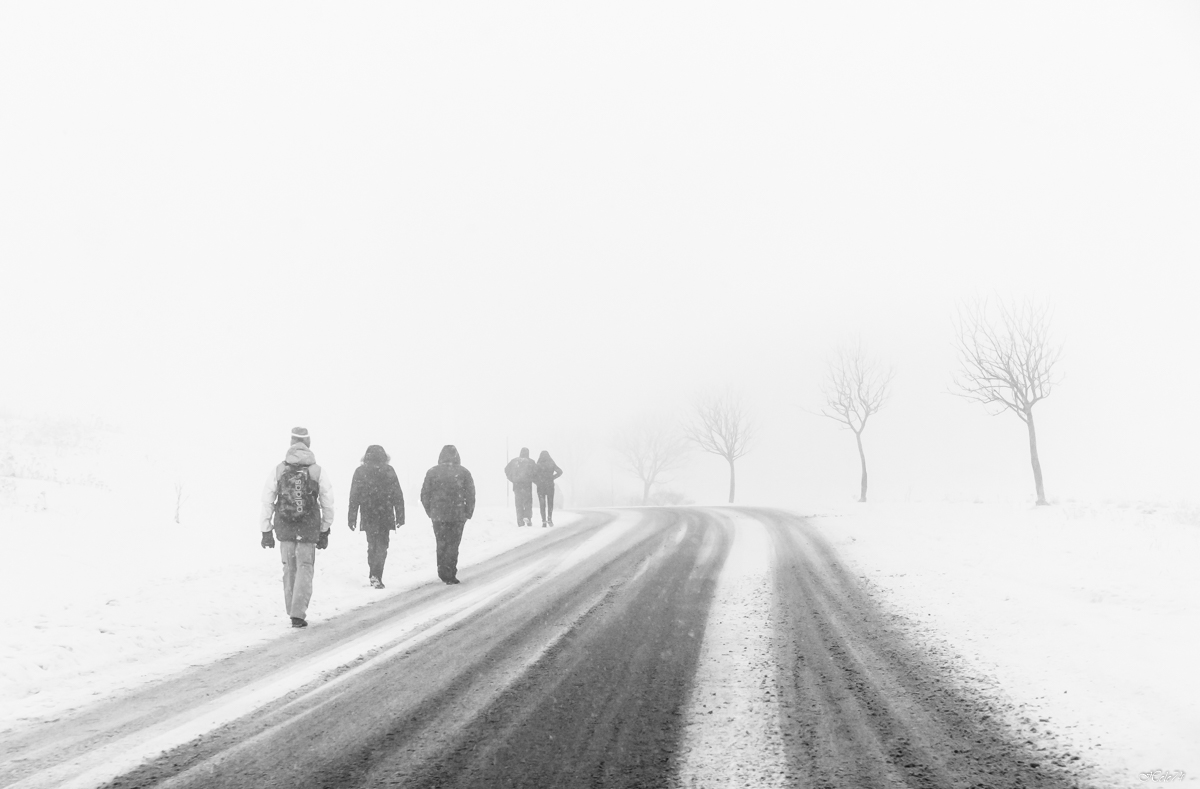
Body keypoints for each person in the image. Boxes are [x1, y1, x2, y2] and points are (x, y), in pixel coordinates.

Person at [260, 427, 334, 628]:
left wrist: (266, 529)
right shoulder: (317, 471)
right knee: (304, 569)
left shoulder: (279, 469)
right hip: (308, 529)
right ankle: (298, 613)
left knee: (289, 569)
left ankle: (290, 609)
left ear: (291, 443)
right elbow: (328, 502)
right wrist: (325, 529)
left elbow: (267, 499)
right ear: (308, 443)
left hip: (284, 527)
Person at [347, 444, 405, 589]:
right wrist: (400, 515)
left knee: (372, 544)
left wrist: (352, 517)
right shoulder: (389, 471)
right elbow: (398, 495)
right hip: (385, 513)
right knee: (382, 545)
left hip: (368, 514)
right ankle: (377, 574)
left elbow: (354, 496)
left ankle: (374, 573)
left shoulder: (360, 472)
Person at [420, 445, 475, 584]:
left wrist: (431, 511)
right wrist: (468, 512)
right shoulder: (464, 472)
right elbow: (470, 495)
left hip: (438, 515)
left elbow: (425, 494)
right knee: (453, 544)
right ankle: (450, 572)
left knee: (441, 543)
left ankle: (442, 571)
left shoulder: (432, 472)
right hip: (458, 515)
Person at [504, 447, 538, 527]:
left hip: (516, 486)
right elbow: (536, 473)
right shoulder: (531, 462)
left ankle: (520, 521)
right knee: (528, 502)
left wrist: (512, 478)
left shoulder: (514, 461)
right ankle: (527, 517)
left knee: (518, 503)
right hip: (527, 486)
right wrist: (532, 479)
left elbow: (506, 469)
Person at [534, 450, 563, 528]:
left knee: (542, 503)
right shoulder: (551, 463)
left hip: (540, 486)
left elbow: (533, 475)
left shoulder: (538, 464)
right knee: (550, 503)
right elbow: (560, 471)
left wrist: (537, 481)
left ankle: (543, 521)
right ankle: (549, 518)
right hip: (549, 485)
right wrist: (552, 477)